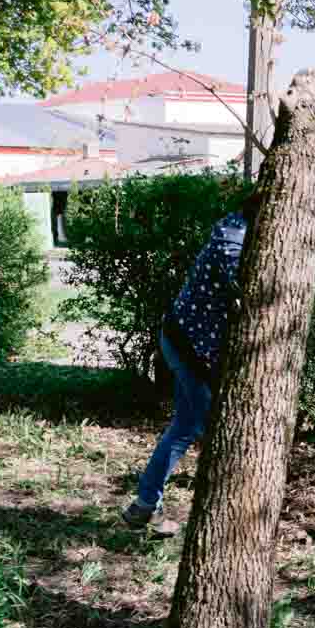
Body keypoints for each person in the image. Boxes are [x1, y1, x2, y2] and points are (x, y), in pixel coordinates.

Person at [121, 192, 261, 530]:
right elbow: (248, 289)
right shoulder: (234, 237)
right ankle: (150, 504)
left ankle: (144, 505)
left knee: (186, 425)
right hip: (187, 346)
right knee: (196, 423)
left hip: (185, 341)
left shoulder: (239, 229)